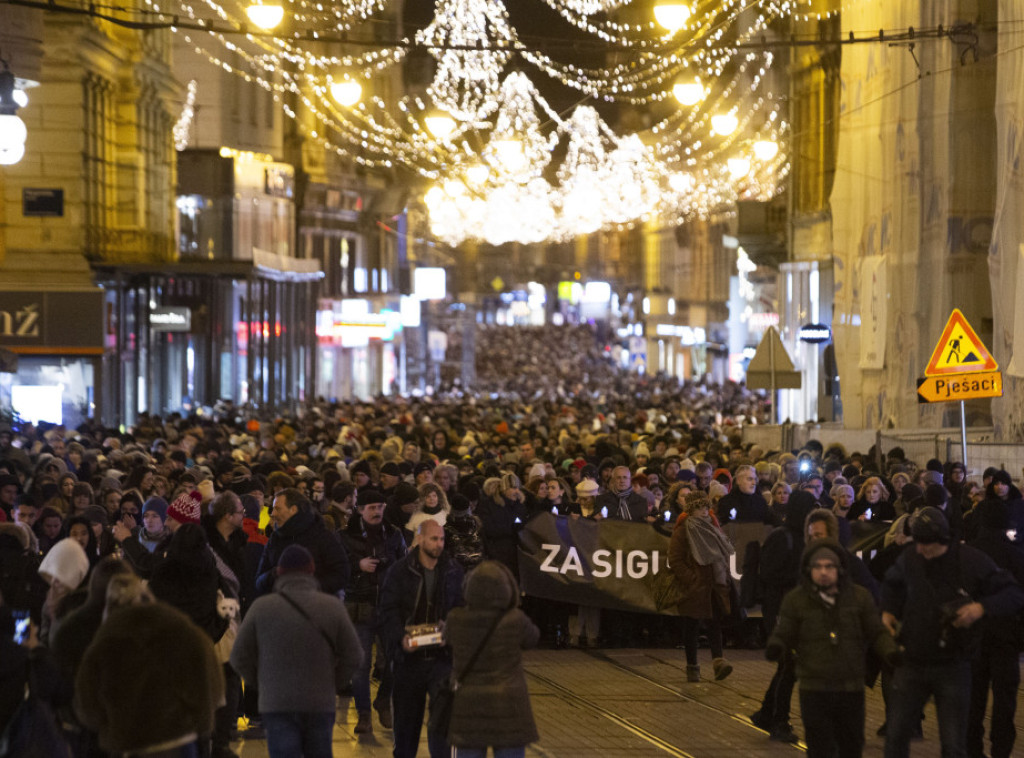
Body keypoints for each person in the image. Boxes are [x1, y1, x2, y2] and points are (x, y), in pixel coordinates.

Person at [881, 507, 1024, 758]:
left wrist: (981, 608)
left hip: (952, 665)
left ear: (944, 540)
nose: (923, 550)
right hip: (913, 659)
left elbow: (1012, 594)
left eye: (929, 545)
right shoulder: (911, 557)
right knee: (896, 736)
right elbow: (892, 583)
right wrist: (889, 611)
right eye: (919, 543)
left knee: (953, 743)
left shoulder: (971, 561)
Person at [767, 540, 900, 758]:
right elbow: (786, 630)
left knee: (851, 744)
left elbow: (876, 631)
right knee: (819, 745)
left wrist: (890, 651)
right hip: (814, 686)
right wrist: (777, 645)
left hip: (850, 686)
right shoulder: (797, 600)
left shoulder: (859, 597)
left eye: (829, 567)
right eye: (818, 567)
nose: (824, 572)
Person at [231, 544, 362, 758]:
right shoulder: (332, 607)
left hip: (276, 702)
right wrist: (334, 683)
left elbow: (239, 657)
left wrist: (262, 683)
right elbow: (354, 656)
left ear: (279, 572)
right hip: (319, 701)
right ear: (312, 571)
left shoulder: (261, 607)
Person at [75, 600, 225, 757]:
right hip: (179, 739)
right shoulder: (185, 633)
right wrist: (200, 724)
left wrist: (107, 728)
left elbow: (87, 700)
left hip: (130, 742)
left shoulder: (107, 639)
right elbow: (210, 688)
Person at [378, 519, 464, 758]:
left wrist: (451, 628)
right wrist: (400, 640)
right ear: (420, 539)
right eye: (434, 539)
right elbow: (388, 610)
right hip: (409, 660)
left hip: (441, 659)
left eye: (442, 539)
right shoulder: (400, 570)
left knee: (442, 727)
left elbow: (462, 607)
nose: (439, 544)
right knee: (406, 728)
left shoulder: (453, 570)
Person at [445, 561, 540, 758]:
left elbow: (447, 640)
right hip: (509, 710)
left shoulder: (456, 618)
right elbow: (533, 638)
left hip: (469, 710)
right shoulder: (516, 619)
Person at [341, 488, 407, 734]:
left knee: (395, 660)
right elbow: (337, 566)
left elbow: (405, 564)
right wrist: (357, 566)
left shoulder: (394, 534)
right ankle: (364, 714)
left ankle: (383, 700)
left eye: (380, 507)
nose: (378, 512)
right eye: (372, 508)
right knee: (361, 665)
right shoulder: (345, 536)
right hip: (360, 606)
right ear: (360, 510)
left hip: (389, 607)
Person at [965, 499, 1024, 758]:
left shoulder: (968, 553)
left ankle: (973, 750)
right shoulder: (1016, 554)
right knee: (1004, 701)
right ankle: (1001, 750)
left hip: (972, 637)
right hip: (1007, 637)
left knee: (973, 700)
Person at [669, 490, 734, 683]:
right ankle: (692, 667)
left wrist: (724, 577)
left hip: (714, 584)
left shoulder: (713, 528)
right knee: (692, 627)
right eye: (699, 508)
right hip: (695, 588)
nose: (705, 511)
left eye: (706, 507)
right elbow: (675, 559)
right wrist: (691, 580)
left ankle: (718, 662)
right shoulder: (683, 530)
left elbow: (721, 555)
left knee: (715, 624)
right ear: (690, 510)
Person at [255, 488, 350, 598]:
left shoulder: (322, 536)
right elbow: (259, 581)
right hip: (281, 608)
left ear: (293, 510)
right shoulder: (275, 539)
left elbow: (341, 574)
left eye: (278, 509)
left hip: (315, 607)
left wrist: (310, 587)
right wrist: (274, 574)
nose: (273, 514)